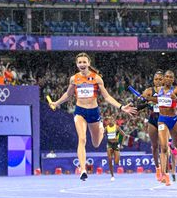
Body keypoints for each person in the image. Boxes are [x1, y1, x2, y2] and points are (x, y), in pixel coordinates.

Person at [48, 52, 136, 181]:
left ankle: (101, 129)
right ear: (77, 64)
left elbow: (106, 97)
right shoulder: (74, 79)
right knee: (82, 139)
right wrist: (56, 102)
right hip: (80, 112)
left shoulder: (97, 78)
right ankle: (83, 170)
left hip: (93, 112)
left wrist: (121, 107)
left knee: (95, 143)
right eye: (80, 62)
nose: (82, 64)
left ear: (89, 63)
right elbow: (68, 94)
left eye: (84, 62)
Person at [144, 70, 177, 186]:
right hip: (162, 119)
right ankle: (165, 175)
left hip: (173, 120)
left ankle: (173, 147)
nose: (168, 79)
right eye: (166, 77)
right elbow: (156, 100)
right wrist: (147, 99)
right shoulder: (159, 90)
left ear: (173, 79)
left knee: (176, 146)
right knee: (163, 148)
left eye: (170, 77)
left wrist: (176, 99)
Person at [141, 70, 163, 181]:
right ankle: (157, 168)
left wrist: (153, 100)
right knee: (155, 146)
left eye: (160, 79)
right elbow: (140, 105)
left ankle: (165, 171)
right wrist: (144, 102)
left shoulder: (169, 91)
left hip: (164, 120)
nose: (158, 81)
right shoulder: (148, 91)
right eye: (156, 79)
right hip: (153, 119)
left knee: (164, 147)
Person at [104, 116, 126, 182]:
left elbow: (124, 135)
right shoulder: (106, 128)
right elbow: (102, 134)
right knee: (110, 159)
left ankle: (116, 158)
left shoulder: (116, 127)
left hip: (116, 144)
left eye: (111, 120)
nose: (110, 121)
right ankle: (112, 175)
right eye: (109, 120)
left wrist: (121, 144)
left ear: (113, 121)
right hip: (109, 144)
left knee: (116, 162)